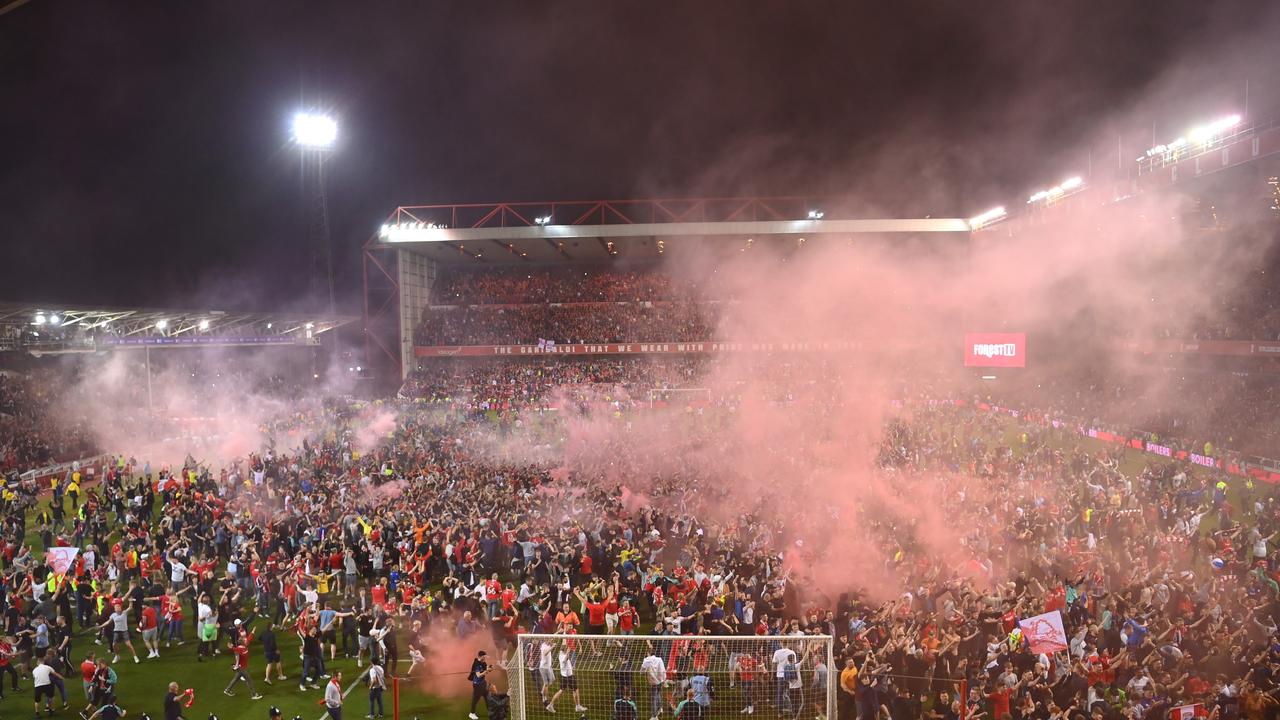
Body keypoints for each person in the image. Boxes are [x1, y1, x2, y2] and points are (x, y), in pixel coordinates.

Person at [222, 624, 263, 699]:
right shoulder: (239, 649)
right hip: (242, 668)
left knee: (236, 679)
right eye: (244, 640)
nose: (245, 639)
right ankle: (254, 695)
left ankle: (227, 690)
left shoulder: (245, 645)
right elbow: (234, 650)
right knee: (249, 680)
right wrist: (231, 647)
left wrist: (253, 631)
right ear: (242, 642)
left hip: (241, 667)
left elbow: (249, 638)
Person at [32, 653, 64, 718]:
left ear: (38, 663)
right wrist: (61, 677)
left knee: (37, 701)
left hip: (38, 686)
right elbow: (55, 674)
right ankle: (50, 710)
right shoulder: (48, 667)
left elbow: (35, 677)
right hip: (47, 684)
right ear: (43, 662)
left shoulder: (34, 670)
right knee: (50, 698)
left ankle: (37, 714)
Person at [468, 650, 490, 720]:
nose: (485, 658)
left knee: (488, 698)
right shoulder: (476, 664)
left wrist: (489, 668)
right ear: (482, 656)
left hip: (483, 683)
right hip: (477, 685)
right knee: (475, 699)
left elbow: (486, 668)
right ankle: (472, 713)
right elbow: (478, 675)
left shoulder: (482, 662)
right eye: (485, 656)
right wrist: (486, 671)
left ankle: (491, 712)